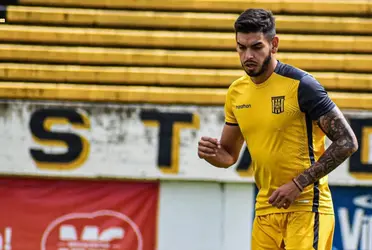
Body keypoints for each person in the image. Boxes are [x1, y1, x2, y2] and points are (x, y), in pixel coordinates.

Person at [197, 8, 358, 250]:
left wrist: (297, 184)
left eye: (256, 47)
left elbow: (347, 142)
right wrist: (212, 154)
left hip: (306, 208)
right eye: (241, 48)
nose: (247, 55)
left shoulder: (303, 86)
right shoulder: (236, 92)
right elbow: (229, 155)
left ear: (274, 44)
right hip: (265, 211)